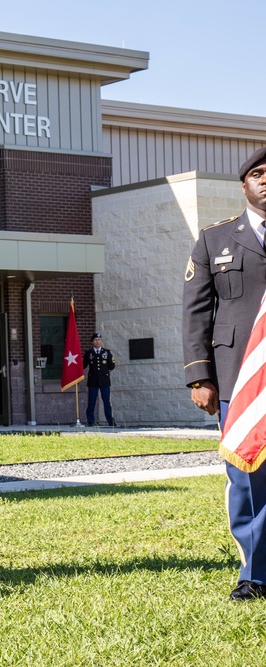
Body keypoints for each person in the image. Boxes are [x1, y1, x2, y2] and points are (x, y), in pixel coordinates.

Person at [183, 146, 266, 601]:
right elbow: (195, 312)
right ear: (243, 184)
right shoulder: (215, 239)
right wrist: (200, 377)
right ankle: (255, 574)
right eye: (258, 173)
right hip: (240, 380)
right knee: (248, 477)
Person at [84, 333, 116, 427]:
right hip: (93, 380)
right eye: (95, 340)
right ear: (92, 342)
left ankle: (110, 421)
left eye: (99, 340)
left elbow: (112, 365)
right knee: (91, 402)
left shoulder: (107, 352)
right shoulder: (88, 353)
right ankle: (90, 421)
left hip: (104, 380)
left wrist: (105, 372)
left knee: (107, 402)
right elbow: (84, 365)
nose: (97, 341)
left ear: (101, 341)